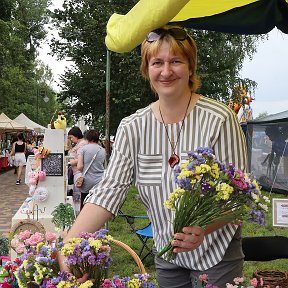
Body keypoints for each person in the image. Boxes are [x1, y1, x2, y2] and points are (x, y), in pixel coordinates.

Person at [59, 26, 247, 287]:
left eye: (176, 61)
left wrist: (204, 228)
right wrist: (68, 246)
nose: (166, 71)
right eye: (157, 62)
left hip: (217, 252)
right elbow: (108, 192)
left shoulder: (219, 119)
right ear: (147, 69)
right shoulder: (132, 127)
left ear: (191, 68)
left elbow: (239, 197)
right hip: (167, 252)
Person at [77, 129, 106, 210]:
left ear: (88, 138)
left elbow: (79, 166)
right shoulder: (103, 150)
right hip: (99, 181)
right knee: (97, 205)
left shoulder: (83, 149)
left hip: (87, 181)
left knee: (85, 205)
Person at [67, 127, 88, 193]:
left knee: (78, 195)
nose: (71, 139)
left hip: (79, 173)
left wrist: (70, 163)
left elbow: (80, 159)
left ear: (76, 135)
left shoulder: (82, 144)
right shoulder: (79, 144)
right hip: (77, 172)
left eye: (71, 137)